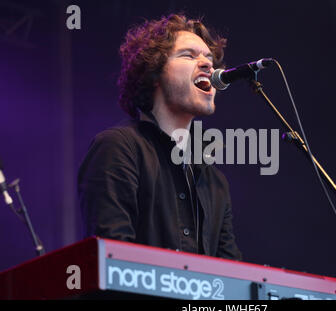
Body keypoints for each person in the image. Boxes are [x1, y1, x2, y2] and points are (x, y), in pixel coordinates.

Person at [77, 14, 242, 261]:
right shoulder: (118, 148)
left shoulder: (214, 181)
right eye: (189, 55)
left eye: (209, 58)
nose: (208, 65)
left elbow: (231, 278)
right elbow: (112, 260)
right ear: (154, 72)